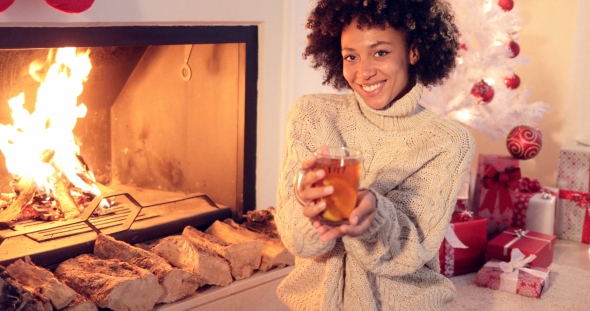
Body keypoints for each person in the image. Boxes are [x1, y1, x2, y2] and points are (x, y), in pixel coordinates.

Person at [275, 0, 475, 310]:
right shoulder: (312, 115)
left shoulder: (449, 141)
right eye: (350, 56)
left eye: (380, 52)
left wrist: (373, 218)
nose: (364, 72)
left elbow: (408, 255)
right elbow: (298, 242)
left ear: (414, 51)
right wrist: (307, 204)